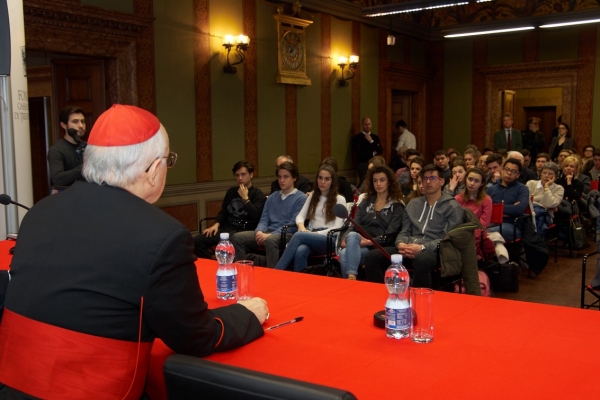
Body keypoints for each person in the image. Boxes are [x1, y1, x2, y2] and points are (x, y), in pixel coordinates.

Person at [0, 105, 268, 399]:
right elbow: (195, 336)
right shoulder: (161, 235)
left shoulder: (39, 212)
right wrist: (246, 314)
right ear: (152, 170)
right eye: (168, 161)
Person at [364, 165, 463, 286]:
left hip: (435, 251)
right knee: (372, 257)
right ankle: (379, 293)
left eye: (432, 178)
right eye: (425, 178)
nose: (428, 182)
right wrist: (401, 243)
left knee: (421, 260)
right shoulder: (413, 204)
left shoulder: (452, 207)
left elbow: (447, 238)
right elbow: (404, 231)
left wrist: (422, 247)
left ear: (442, 181)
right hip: (409, 248)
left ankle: (420, 296)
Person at [233, 162, 307, 268]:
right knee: (236, 238)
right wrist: (259, 231)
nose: (282, 180)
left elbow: (293, 224)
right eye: (279, 177)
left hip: (287, 233)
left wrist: (270, 235)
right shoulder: (272, 197)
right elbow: (264, 219)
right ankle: (242, 269)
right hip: (268, 231)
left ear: (294, 178)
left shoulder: (301, 198)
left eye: (286, 177)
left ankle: (272, 273)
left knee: (270, 240)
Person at [274, 165, 346, 272]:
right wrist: (301, 227)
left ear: (332, 182)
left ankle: (277, 271)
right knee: (301, 250)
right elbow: (300, 216)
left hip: (330, 238)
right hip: (311, 235)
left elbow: (337, 228)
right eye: (320, 178)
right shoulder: (313, 195)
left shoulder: (340, 199)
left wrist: (314, 234)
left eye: (327, 179)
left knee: (299, 236)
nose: (322, 182)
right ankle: (300, 281)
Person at [340, 166, 404, 280]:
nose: (378, 184)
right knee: (351, 236)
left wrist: (369, 242)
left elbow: (391, 233)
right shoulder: (365, 202)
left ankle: (350, 281)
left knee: (345, 253)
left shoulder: (397, 206)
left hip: (380, 246)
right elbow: (354, 225)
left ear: (389, 182)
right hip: (358, 242)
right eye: (375, 180)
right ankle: (352, 278)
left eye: (382, 180)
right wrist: (345, 239)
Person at [194, 160, 265, 259]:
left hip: (244, 230)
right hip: (227, 228)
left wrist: (245, 199)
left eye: (243, 174)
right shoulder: (231, 191)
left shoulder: (257, 194)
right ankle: (213, 264)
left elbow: (256, 215)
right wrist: (216, 225)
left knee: (231, 241)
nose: (240, 178)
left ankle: (225, 264)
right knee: (197, 240)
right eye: (237, 175)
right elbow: (224, 211)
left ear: (251, 175)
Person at [486, 158, 530, 241]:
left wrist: (495, 207)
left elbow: (520, 209)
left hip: (512, 225)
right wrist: (511, 208)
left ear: (518, 175)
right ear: (502, 170)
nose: (509, 173)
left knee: (484, 233)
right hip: (491, 222)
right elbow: (484, 208)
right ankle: (499, 248)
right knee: (473, 230)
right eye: (507, 169)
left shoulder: (522, 189)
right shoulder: (491, 189)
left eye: (514, 171)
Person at [47, 105, 87, 188]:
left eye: (82, 122)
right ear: (64, 125)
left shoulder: (88, 147)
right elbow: (57, 179)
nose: (81, 125)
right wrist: (83, 168)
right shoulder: (57, 150)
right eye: (75, 122)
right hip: (69, 193)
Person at [526, 162, 563, 227]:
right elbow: (525, 201)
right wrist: (543, 205)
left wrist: (546, 187)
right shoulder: (531, 183)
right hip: (528, 214)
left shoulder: (559, 188)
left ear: (555, 177)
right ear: (540, 174)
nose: (546, 176)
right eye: (544, 173)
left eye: (550, 174)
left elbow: (550, 204)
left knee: (537, 223)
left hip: (546, 217)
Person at [352, 117, 383, 186]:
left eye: (369, 124)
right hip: (363, 163)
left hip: (374, 163)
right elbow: (360, 154)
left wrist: (371, 141)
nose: (367, 126)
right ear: (362, 125)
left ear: (371, 125)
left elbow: (380, 150)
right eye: (365, 124)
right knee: (364, 182)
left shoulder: (375, 137)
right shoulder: (357, 138)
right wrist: (373, 153)